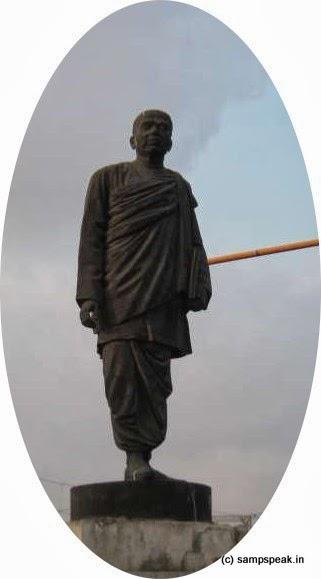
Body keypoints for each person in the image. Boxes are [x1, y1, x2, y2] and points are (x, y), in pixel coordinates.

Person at [76, 109, 212, 481]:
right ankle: (133, 458)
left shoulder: (178, 187)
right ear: (132, 138)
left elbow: (193, 242)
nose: (156, 132)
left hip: (163, 298)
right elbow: (92, 237)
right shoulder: (107, 179)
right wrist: (89, 295)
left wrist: (200, 281)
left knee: (155, 383)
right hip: (118, 296)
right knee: (121, 375)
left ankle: (142, 460)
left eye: (164, 128)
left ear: (171, 140)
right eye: (147, 127)